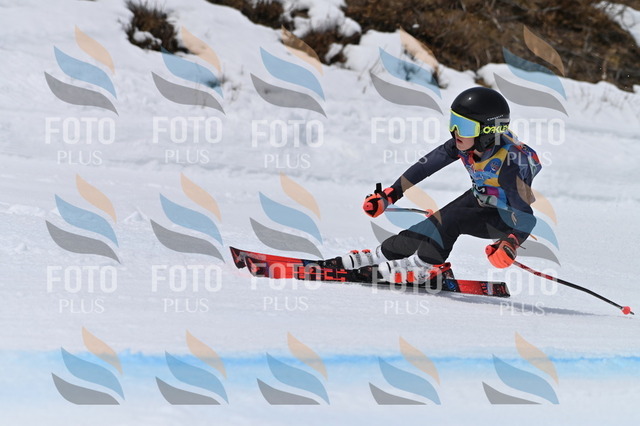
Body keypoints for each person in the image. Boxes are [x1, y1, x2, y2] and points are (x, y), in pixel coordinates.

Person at [323, 87, 542, 284]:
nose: (455, 132)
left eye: (464, 127)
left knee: (451, 220)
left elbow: (525, 217)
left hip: (504, 218)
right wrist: (391, 194)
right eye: (454, 122)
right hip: (481, 198)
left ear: (487, 131)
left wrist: (510, 243)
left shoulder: (509, 164)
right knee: (430, 226)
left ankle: (424, 267)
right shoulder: (463, 144)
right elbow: (426, 166)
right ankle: (381, 255)